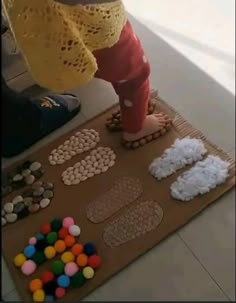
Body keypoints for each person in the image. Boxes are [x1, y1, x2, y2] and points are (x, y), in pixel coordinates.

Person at [2, 0, 171, 152]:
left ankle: (129, 104)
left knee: (113, 69)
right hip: (90, 27)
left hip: (54, 26)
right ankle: (136, 128)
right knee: (135, 75)